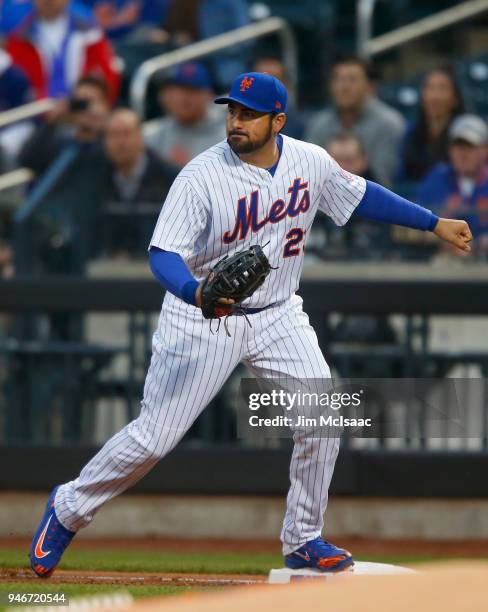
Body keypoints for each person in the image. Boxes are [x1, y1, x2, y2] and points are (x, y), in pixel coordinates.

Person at [29, 72, 472, 578]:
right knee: (154, 438)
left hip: (278, 312)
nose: (235, 122)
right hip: (202, 316)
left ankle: (303, 538)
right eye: (232, 111)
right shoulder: (200, 176)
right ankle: (67, 508)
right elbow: (162, 254)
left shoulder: (309, 160)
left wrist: (432, 222)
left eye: (248, 113)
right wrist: (196, 292)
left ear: (277, 121)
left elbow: (363, 195)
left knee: (323, 415)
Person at [306, 56, 405, 187]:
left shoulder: (389, 123)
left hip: (371, 203)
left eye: (352, 80)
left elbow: (385, 181)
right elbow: (306, 174)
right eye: (339, 80)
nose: (344, 87)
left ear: (371, 87)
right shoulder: (319, 123)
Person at [5, 0, 120, 102]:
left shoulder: (91, 34)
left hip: (82, 114)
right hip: (35, 117)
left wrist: (83, 97)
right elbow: (16, 87)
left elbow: (106, 78)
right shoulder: (19, 39)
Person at [100, 108, 177, 256]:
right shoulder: (98, 178)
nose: (121, 142)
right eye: (114, 135)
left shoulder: (169, 178)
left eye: (127, 134)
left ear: (141, 138)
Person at [416, 114, 488, 251]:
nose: (463, 154)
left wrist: (478, 245)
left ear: (485, 150)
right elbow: (412, 223)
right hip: (439, 262)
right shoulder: (436, 178)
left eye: (470, 147)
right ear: (450, 150)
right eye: (458, 147)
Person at [18, 74, 111, 176]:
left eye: (92, 102)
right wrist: (51, 123)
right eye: (81, 103)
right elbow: (26, 161)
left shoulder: (113, 145)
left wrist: (101, 126)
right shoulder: (62, 144)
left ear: (105, 105)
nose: (87, 110)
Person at [144, 62, 226, 168]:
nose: (184, 98)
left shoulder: (226, 131)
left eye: (192, 91)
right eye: (180, 91)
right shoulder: (156, 134)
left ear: (208, 94)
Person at [400, 66, 465, 182]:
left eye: (442, 88)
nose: (435, 96)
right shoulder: (411, 133)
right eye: (430, 88)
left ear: (455, 99)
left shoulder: (464, 135)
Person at [252, 56, 305, 140]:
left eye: (273, 81)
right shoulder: (237, 119)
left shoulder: (300, 125)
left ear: (285, 86)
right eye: (260, 81)